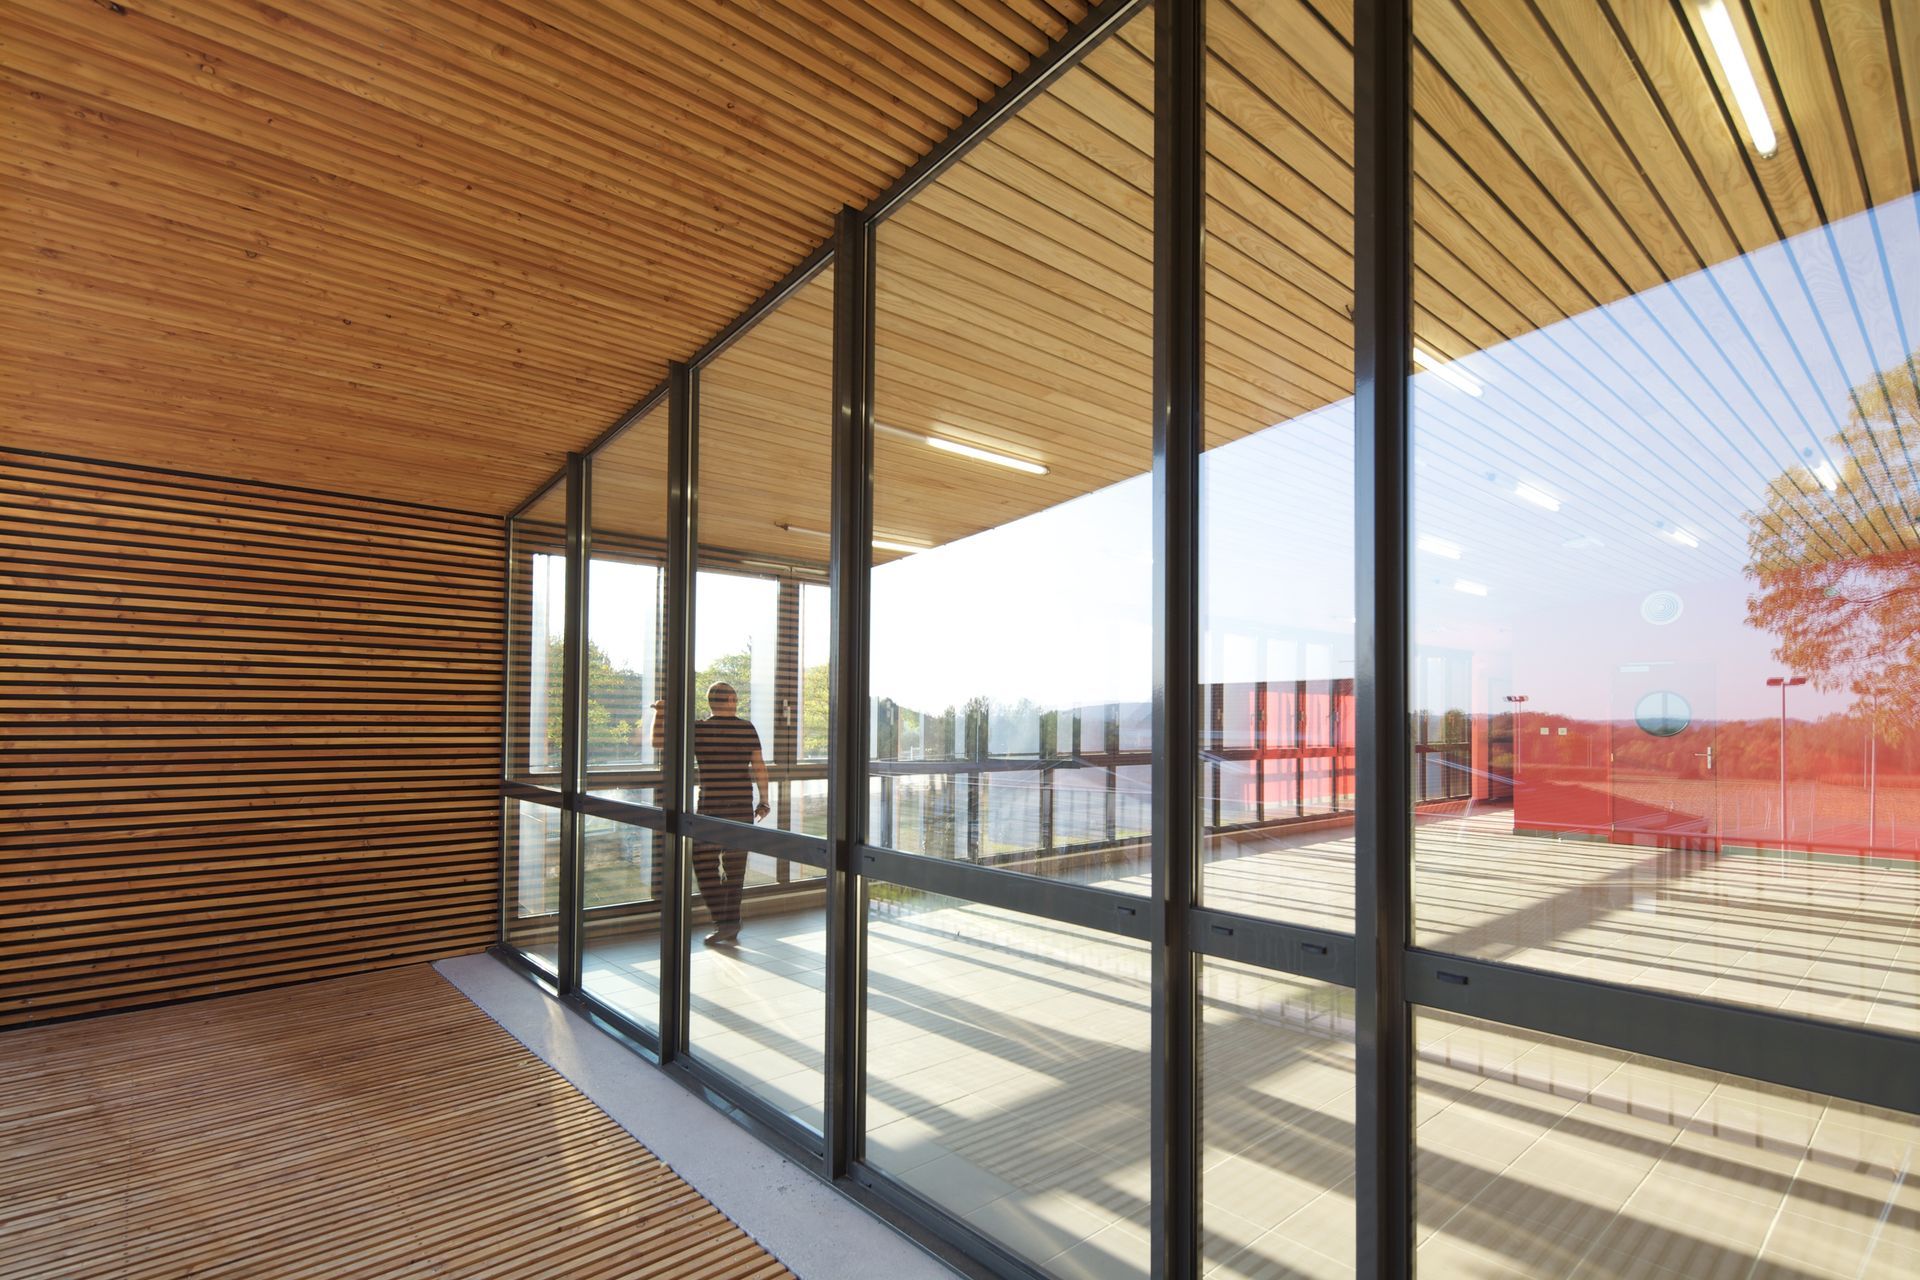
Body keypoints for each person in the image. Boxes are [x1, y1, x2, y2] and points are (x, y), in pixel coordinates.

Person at [648, 683, 771, 947]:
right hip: (739, 805)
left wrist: (659, 712)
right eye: (735, 697)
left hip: (710, 805)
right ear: (730, 699)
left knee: (705, 866)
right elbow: (758, 765)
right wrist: (764, 799)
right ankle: (728, 923)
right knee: (733, 870)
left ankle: (726, 924)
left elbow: (657, 741)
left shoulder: (698, 728)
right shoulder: (745, 727)